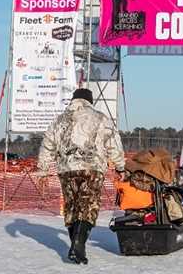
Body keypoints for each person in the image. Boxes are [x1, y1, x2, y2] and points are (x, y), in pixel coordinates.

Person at [37, 88, 125, 265]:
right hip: (92, 169)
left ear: (73, 99)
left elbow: (47, 145)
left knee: (72, 206)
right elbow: (113, 144)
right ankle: (78, 245)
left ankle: (76, 244)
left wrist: (43, 170)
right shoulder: (101, 118)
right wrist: (120, 167)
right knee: (88, 205)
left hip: (66, 169)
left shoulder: (59, 120)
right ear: (89, 101)